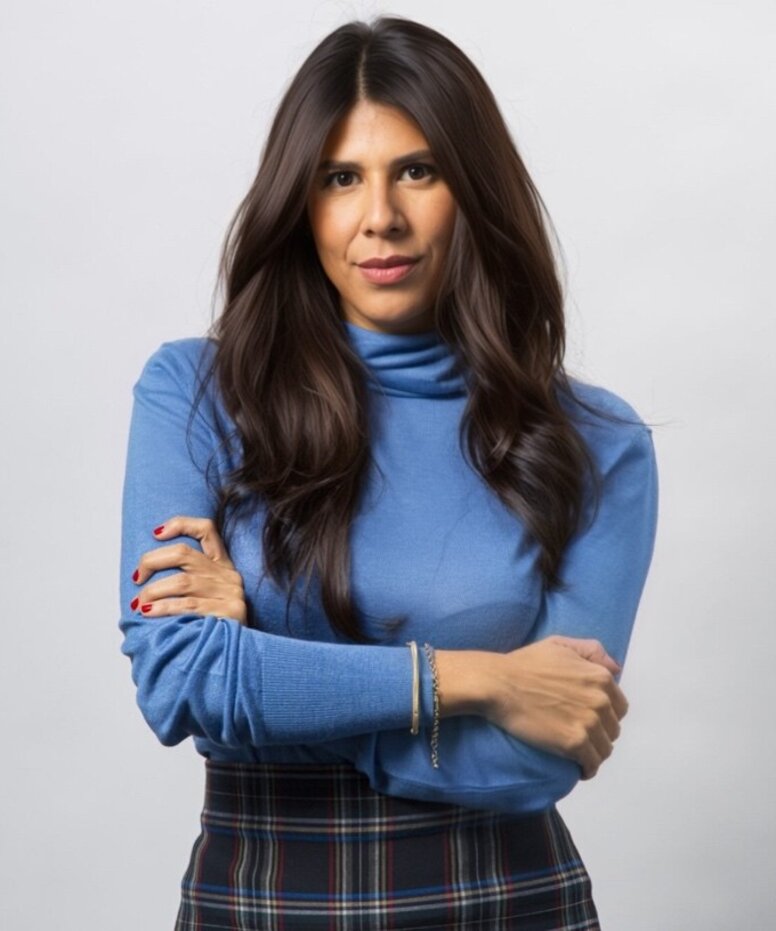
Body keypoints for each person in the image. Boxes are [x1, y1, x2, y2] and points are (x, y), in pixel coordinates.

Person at [118, 15, 658, 930]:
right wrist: (480, 680)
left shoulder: (597, 441)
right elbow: (181, 683)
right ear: (301, 201)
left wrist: (264, 676)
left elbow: (543, 752)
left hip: (505, 900)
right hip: (259, 899)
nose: (380, 217)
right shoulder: (197, 392)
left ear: (473, 188)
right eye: (341, 178)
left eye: (418, 170)